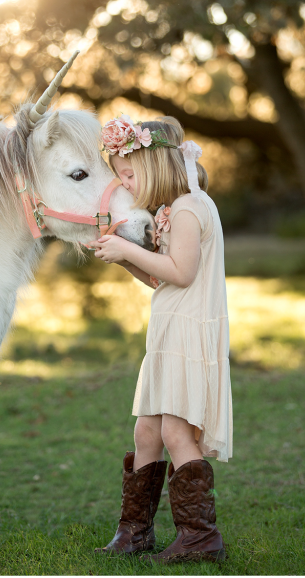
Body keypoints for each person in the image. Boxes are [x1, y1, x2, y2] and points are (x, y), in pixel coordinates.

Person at [89, 115, 231, 563]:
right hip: (169, 331)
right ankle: (135, 532)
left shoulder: (191, 207)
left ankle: (200, 537)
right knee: (146, 430)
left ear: (154, 164)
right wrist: (124, 261)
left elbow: (184, 273)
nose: (126, 184)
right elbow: (162, 280)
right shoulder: (175, 208)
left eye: (129, 174)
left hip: (190, 334)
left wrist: (130, 248)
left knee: (175, 429)